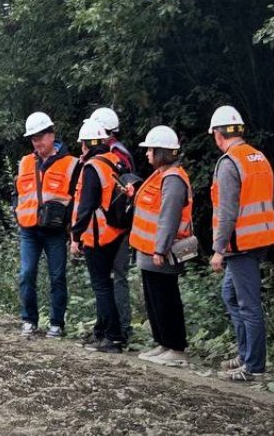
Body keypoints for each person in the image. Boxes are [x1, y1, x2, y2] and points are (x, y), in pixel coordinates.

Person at [208, 106, 274, 382]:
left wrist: (218, 249)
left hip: (242, 243)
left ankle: (254, 368)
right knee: (230, 295)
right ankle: (246, 352)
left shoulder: (229, 163)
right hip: (260, 237)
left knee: (249, 305)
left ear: (217, 134)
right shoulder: (257, 157)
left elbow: (227, 210)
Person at [130, 126, 192, 367]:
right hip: (149, 251)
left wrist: (160, 248)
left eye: (150, 150)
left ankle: (176, 347)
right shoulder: (162, 175)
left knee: (166, 299)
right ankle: (163, 343)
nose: (147, 154)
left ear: (162, 152)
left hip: (163, 252)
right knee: (154, 299)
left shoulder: (174, 179)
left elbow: (169, 216)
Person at [15, 112, 78, 339]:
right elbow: (18, 193)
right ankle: (29, 320)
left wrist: (73, 230)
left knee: (57, 277)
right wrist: (17, 211)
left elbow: (76, 198)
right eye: (33, 139)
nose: (37, 143)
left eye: (40, 137)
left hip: (55, 231)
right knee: (26, 274)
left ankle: (56, 323)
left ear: (52, 135)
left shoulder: (71, 164)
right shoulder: (25, 162)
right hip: (29, 229)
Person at [71, 119, 129, 353]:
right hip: (116, 231)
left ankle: (112, 336)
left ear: (86, 144)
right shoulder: (114, 161)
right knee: (107, 283)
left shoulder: (92, 168)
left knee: (102, 286)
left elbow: (85, 206)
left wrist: (75, 236)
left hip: (98, 234)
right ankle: (105, 332)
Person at [90, 106, 134, 342]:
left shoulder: (115, 155)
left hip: (113, 226)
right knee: (110, 279)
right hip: (116, 224)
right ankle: (108, 328)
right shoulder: (121, 153)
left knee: (113, 278)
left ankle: (119, 330)